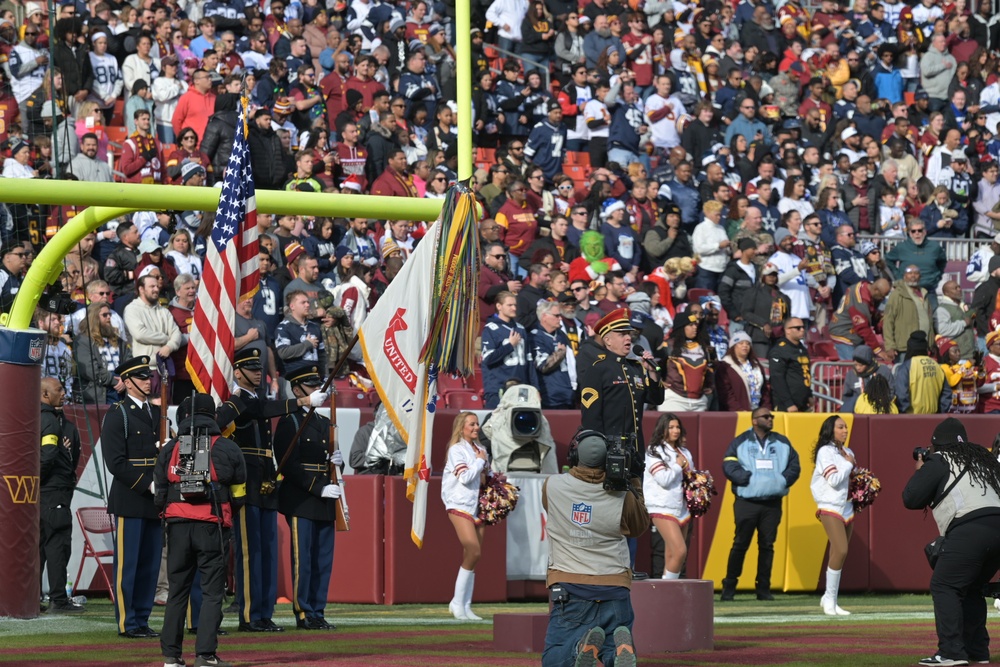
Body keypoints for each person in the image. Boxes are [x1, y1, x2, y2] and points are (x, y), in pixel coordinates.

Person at [216, 348, 327, 633]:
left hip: (265, 483)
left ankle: (265, 613)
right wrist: (301, 400)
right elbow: (258, 412)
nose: (258, 372)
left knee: (266, 553)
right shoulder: (238, 402)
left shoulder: (257, 401)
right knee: (249, 553)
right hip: (246, 485)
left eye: (259, 367)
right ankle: (251, 615)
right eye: (251, 368)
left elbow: (265, 411)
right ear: (238, 372)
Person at [154, 394, 247, 667]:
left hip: (177, 527)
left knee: (177, 592)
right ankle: (205, 655)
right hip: (212, 527)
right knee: (211, 593)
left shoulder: (171, 448)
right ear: (213, 416)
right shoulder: (228, 448)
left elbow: (159, 493)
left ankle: (171, 656)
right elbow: (240, 494)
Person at [541, 432, 645, 667]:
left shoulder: (552, 485)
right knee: (609, 644)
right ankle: (614, 653)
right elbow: (639, 526)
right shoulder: (623, 494)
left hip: (570, 585)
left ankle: (580, 648)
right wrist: (635, 481)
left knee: (554, 658)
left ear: (574, 455)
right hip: (614, 585)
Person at [903, 418, 1000, 667]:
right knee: (972, 588)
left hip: (971, 528)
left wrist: (921, 468)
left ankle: (951, 652)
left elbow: (911, 498)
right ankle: (977, 650)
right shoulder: (982, 459)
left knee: (945, 585)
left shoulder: (940, 459)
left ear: (936, 444)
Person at [578, 307, 663, 578]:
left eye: (630, 334)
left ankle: (628, 566)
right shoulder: (598, 370)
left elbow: (657, 399)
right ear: (607, 339)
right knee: (608, 512)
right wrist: (598, 454)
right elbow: (590, 418)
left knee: (631, 511)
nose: (628, 339)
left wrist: (654, 372)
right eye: (622, 334)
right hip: (608, 453)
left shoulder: (636, 368)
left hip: (634, 453)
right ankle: (606, 567)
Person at [272, 365, 341, 631]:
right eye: (312, 386)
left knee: (323, 559)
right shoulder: (289, 422)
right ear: (298, 389)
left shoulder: (324, 422)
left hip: (324, 499)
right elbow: (288, 464)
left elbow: (328, 461)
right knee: (304, 559)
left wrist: (338, 463)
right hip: (302, 498)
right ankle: (303, 611)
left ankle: (318, 610)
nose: (318, 390)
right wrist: (318, 487)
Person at [101, 356, 163, 638]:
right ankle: (128, 621)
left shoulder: (154, 413)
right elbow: (115, 462)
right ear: (126, 382)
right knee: (129, 565)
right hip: (131, 496)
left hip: (154, 497)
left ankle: (142, 617)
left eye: (148, 377)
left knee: (150, 564)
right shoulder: (118, 414)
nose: (148, 381)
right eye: (141, 377)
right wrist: (147, 485)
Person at [720, 406, 801, 601]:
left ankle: (763, 589)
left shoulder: (782, 441)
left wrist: (780, 481)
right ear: (754, 420)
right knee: (740, 544)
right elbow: (729, 463)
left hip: (772, 503)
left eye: (771, 416)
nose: (770, 418)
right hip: (746, 502)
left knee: (767, 546)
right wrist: (747, 479)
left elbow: (794, 465)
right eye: (766, 416)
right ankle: (729, 588)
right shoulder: (740, 441)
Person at [39, 376, 83, 614]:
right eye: (59, 389)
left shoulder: (34, 418)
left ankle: (30, 598)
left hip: (38, 494)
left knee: (37, 548)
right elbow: (48, 458)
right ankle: (58, 599)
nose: (64, 393)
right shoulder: (53, 422)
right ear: (46, 395)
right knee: (57, 546)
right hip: (54, 492)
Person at [443, 412, 490, 621]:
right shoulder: (456, 450)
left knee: (472, 557)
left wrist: (487, 470)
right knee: (474, 550)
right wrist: (480, 463)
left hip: (476, 505)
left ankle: (465, 605)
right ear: (461, 427)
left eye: (477, 424)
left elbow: (482, 479)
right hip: (458, 503)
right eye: (472, 424)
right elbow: (464, 477)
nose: (476, 427)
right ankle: (456, 602)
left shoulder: (481, 450)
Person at [810, 415, 856, 617]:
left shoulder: (847, 452)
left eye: (846, 427)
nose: (845, 430)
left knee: (837, 554)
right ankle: (829, 598)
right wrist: (849, 464)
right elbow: (835, 480)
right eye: (840, 427)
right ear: (830, 430)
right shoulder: (825, 452)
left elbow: (850, 479)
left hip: (847, 507)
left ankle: (831, 600)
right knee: (841, 550)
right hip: (830, 505)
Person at [644, 413, 693, 581]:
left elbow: (690, 478)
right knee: (680, 551)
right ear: (662, 429)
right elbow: (663, 479)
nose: (676, 430)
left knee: (673, 553)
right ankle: (669, 588)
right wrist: (678, 466)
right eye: (671, 427)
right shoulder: (654, 451)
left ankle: (666, 589)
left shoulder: (684, 451)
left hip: (683, 507)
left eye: (677, 427)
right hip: (662, 506)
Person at [481, 291, 533, 409]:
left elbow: (529, 362)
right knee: (497, 423)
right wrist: (510, 345)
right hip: (498, 386)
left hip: (521, 387)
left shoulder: (520, 328)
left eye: (515, 305)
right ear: (499, 306)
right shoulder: (490, 329)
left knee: (519, 423)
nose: (514, 308)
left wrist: (534, 388)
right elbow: (489, 359)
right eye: (510, 305)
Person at [658, 311, 714, 412]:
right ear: (681, 327)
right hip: (673, 399)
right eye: (690, 325)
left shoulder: (704, 348)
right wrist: (658, 381)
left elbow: (710, 370)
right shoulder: (668, 346)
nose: (695, 327)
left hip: (699, 402)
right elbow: (654, 365)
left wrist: (709, 386)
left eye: (696, 324)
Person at [895, 331, 951, 414]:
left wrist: (905, 413)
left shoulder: (907, 367)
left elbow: (901, 394)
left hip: (912, 419)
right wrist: (941, 413)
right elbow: (946, 393)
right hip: (934, 417)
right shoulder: (936, 366)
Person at [715, 331, 771, 411]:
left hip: (758, 412)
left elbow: (764, 390)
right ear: (733, 346)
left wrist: (766, 408)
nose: (745, 346)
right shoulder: (725, 366)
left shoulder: (756, 365)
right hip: (737, 414)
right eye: (741, 343)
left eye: (748, 343)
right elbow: (725, 393)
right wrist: (740, 411)